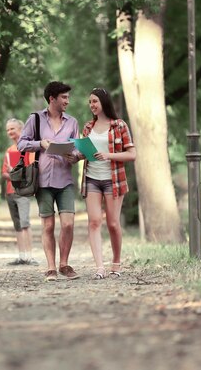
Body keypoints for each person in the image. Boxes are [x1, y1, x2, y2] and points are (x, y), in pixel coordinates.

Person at [18, 81, 81, 281]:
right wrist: (40, 144)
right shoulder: (35, 119)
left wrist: (77, 156)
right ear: (52, 99)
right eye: (64, 97)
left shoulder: (72, 122)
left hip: (65, 179)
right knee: (47, 226)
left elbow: (78, 148)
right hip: (43, 181)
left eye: (68, 97)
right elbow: (21, 143)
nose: (67, 101)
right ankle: (51, 267)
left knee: (68, 224)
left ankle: (64, 264)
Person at [80, 88, 136, 279]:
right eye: (90, 102)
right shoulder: (88, 127)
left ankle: (116, 263)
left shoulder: (119, 125)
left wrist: (108, 155)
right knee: (94, 221)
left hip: (113, 179)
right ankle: (99, 267)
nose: (92, 105)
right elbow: (84, 152)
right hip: (92, 179)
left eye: (95, 101)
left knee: (112, 223)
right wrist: (75, 154)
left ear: (104, 101)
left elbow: (132, 154)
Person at [1, 118, 38, 266]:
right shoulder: (9, 151)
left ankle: (30, 256)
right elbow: (4, 173)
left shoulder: (27, 149)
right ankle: (22, 256)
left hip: (22, 192)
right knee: (17, 224)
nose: (10, 132)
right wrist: (12, 174)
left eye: (12, 129)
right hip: (10, 192)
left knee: (25, 223)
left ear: (21, 130)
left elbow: (30, 171)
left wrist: (16, 174)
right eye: (8, 130)